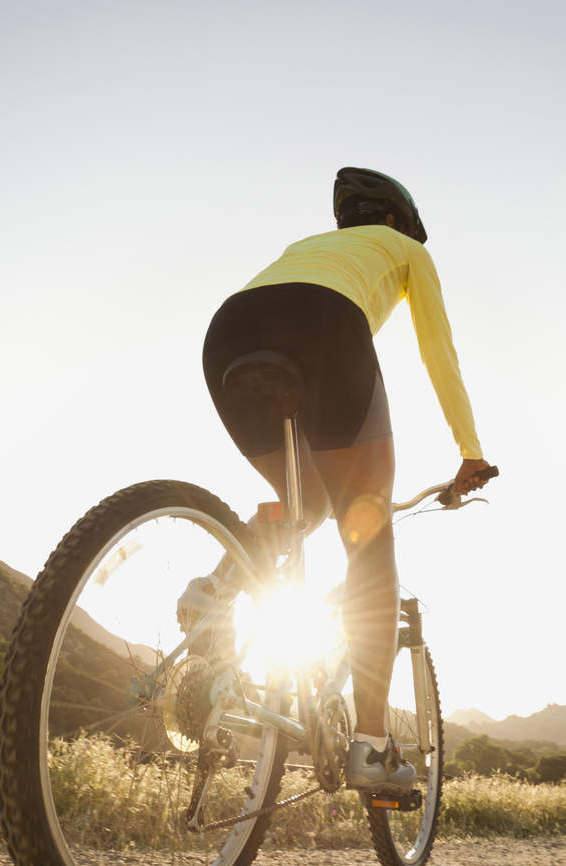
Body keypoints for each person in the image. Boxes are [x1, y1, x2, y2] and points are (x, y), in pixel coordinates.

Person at [198, 167, 493, 789]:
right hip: (325, 325)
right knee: (369, 526)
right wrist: (470, 451)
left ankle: (214, 589)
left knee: (302, 506)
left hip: (229, 331)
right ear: (396, 223)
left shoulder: (305, 248)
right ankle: (372, 746)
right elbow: (440, 353)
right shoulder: (407, 251)